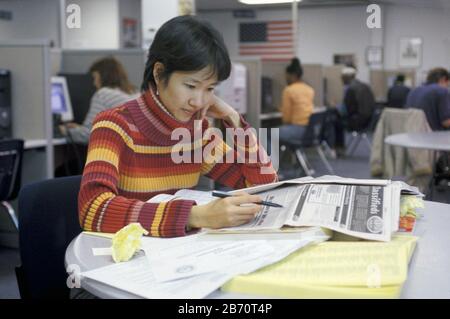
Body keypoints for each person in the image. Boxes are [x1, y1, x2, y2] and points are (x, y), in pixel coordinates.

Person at [78, 16, 278, 237]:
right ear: (158, 73)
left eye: (210, 88)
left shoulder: (196, 132)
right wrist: (195, 216)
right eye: (191, 86)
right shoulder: (115, 125)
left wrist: (234, 121)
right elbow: (92, 209)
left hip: (179, 258)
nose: (199, 101)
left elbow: (261, 186)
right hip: (129, 260)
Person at [60, 57, 137, 144]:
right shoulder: (134, 92)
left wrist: (64, 130)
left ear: (103, 77)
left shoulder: (103, 94)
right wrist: (79, 129)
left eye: (95, 78)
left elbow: (88, 135)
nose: (94, 83)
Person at [279, 58, 315, 145]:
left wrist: (281, 111)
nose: (286, 79)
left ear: (293, 75)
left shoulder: (289, 90)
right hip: (310, 130)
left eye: (287, 76)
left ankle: (269, 159)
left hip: (298, 129)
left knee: (268, 133)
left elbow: (286, 119)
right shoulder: (309, 89)